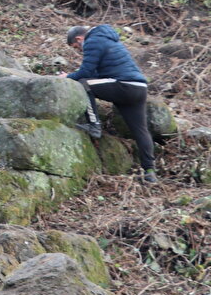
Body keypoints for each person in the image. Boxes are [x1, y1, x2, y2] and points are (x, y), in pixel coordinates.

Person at [63, 24, 157, 183]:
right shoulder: (109, 40)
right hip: (139, 88)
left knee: (84, 84)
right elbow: (96, 72)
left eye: (76, 47)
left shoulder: (93, 41)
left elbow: (85, 73)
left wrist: (66, 77)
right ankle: (150, 172)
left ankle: (94, 125)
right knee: (140, 130)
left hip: (123, 85)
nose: (79, 50)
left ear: (79, 39)